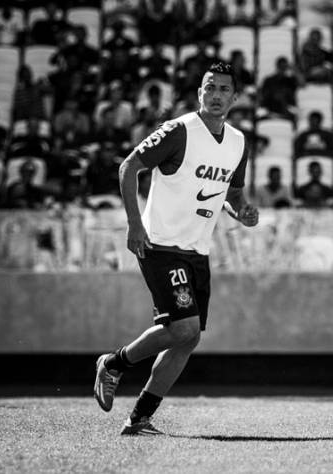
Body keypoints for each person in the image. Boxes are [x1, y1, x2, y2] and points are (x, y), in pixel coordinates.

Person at [93, 63, 259, 435]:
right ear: (199, 92)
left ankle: (139, 418)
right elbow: (129, 167)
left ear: (235, 97)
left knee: (189, 337)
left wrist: (241, 211)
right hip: (160, 243)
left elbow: (231, 193)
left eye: (223, 89)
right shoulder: (178, 130)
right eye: (209, 87)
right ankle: (115, 363)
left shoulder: (237, 142)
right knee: (183, 327)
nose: (215, 95)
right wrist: (135, 223)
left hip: (197, 249)